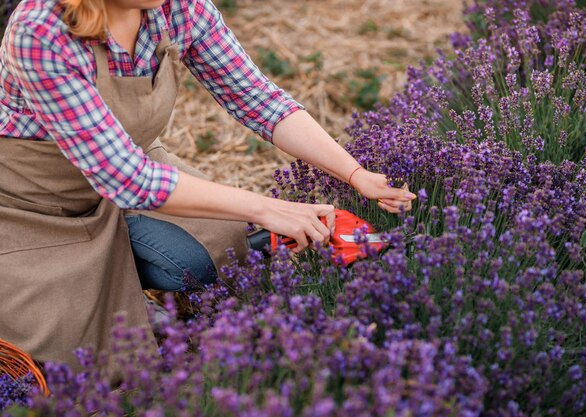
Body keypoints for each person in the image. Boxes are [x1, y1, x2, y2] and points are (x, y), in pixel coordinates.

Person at [0, 0, 416, 369]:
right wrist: (267, 208)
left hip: (132, 167)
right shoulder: (42, 30)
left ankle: (148, 303)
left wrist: (355, 174)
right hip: (33, 203)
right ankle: (135, 313)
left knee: (214, 254)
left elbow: (259, 99)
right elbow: (126, 178)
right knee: (79, 367)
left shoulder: (177, 8)